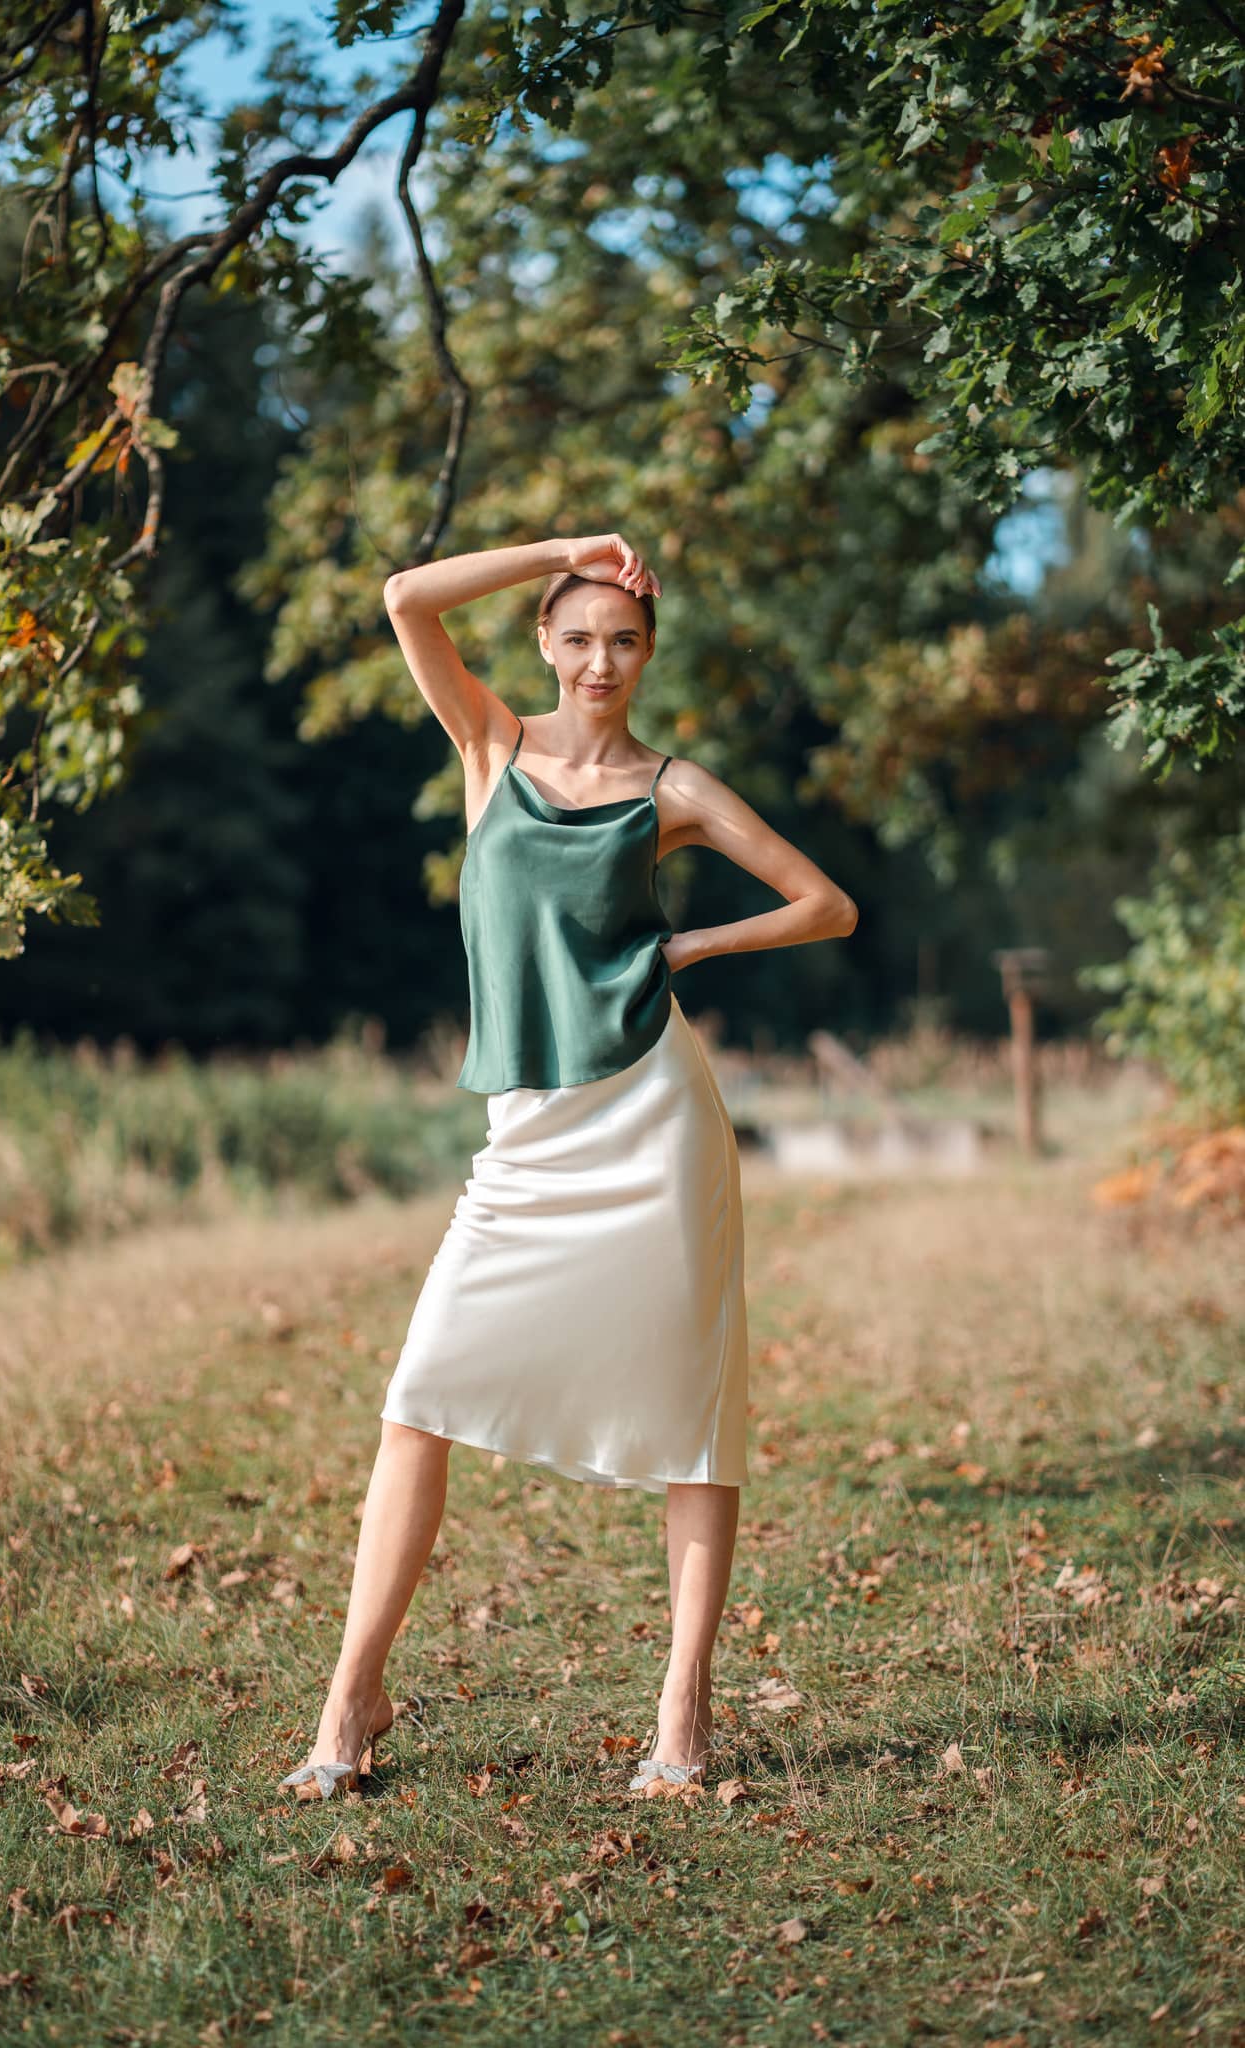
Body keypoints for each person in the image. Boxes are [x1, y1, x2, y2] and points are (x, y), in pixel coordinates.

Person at [278, 532, 858, 1802]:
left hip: (654, 1116)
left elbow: (826, 903)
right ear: (546, 641)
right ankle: (350, 1696)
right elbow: (403, 597)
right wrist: (561, 548)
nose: (602, 661)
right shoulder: (490, 745)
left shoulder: (673, 788)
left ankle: (682, 1711)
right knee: (421, 1387)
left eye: (626, 641)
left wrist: (693, 944)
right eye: (580, 635)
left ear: (649, 655)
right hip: (530, 1132)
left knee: (694, 1419)